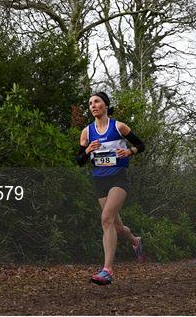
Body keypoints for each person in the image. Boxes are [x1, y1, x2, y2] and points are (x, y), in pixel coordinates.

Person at [75, 92, 146, 286]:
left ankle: (107, 270)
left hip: (118, 179)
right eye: (90, 103)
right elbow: (79, 161)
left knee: (106, 219)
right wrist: (88, 150)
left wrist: (129, 151)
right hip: (100, 181)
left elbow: (141, 145)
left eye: (96, 101)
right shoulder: (87, 132)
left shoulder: (118, 126)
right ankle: (135, 241)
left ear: (105, 105)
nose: (93, 105)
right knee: (115, 225)